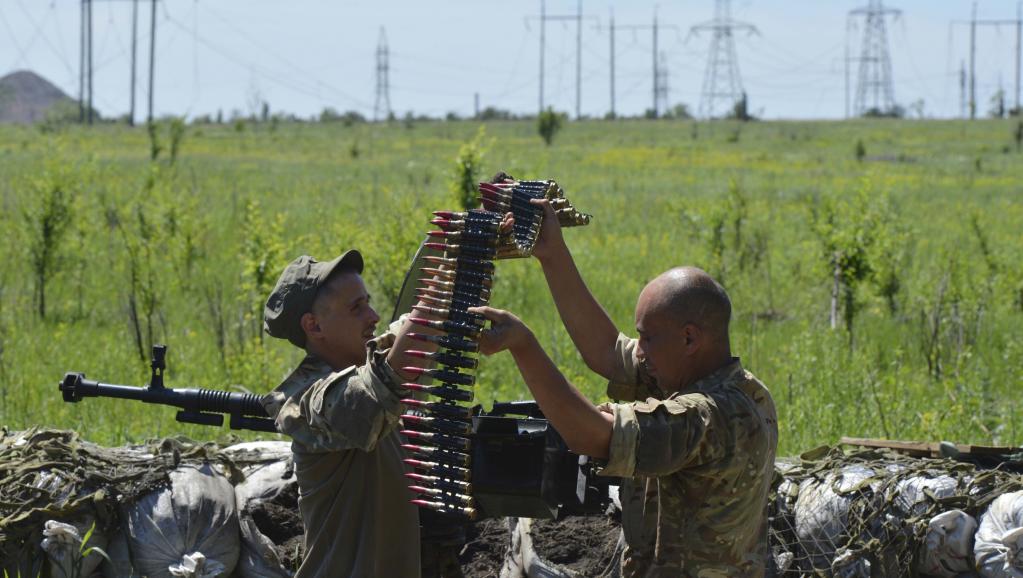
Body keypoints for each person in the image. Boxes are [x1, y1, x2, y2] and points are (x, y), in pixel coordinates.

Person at [470, 201, 779, 577]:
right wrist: (552, 255)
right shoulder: (725, 381)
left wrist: (524, 346)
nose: (640, 351)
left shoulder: (710, 419)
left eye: (647, 338)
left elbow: (595, 438)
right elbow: (608, 352)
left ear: (689, 339)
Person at [261, 250, 433, 578]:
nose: (374, 315)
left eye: (367, 302)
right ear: (314, 326)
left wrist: (474, 239)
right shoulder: (307, 401)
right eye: (357, 308)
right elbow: (372, 393)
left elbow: (404, 336)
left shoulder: (367, 364)